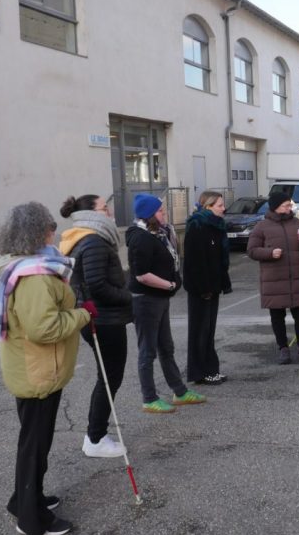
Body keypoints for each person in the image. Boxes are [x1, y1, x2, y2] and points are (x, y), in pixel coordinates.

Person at [0, 202, 93, 535]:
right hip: (38, 371)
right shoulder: (35, 275)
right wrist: (83, 314)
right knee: (34, 445)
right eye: (49, 227)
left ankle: (24, 499)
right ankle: (31, 519)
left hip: (33, 368)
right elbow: (42, 328)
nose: (54, 232)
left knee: (35, 441)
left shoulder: (23, 267)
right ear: (36, 233)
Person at [59, 193, 130, 459]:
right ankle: (95, 437)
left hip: (100, 317)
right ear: (90, 214)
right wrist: (129, 297)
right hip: (103, 319)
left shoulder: (85, 238)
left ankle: (96, 434)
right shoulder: (93, 241)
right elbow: (97, 286)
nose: (109, 212)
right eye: (104, 208)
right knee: (110, 376)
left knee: (109, 376)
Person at [126, 193, 206, 413]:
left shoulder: (157, 234)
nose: (165, 213)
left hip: (159, 299)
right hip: (146, 301)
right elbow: (141, 275)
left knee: (166, 348)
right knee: (147, 351)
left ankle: (179, 392)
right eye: (161, 211)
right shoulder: (140, 238)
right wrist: (169, 285)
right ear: (149, 215)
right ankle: (149, 398)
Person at [248, 190, 299, 364]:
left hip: (296, 277)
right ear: (276, 207)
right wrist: (270, 253)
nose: (290, 207)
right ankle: (283, 348)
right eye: (286, 205)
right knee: (277, 315)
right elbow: (252, 250)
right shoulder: (261, 227)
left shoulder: (298, 223)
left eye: (290, 204)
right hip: (274, 279)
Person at [182, 190, 233, 385]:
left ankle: (209, 369)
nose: (223, 208)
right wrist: (204, 288)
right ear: (208, 206)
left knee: (208, 331)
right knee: (199, 331)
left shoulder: (216, 226)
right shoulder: (197, 226)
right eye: (219, 205)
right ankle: (200, 372)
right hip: (202, 289)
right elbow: (195, 262)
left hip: (213, 286)